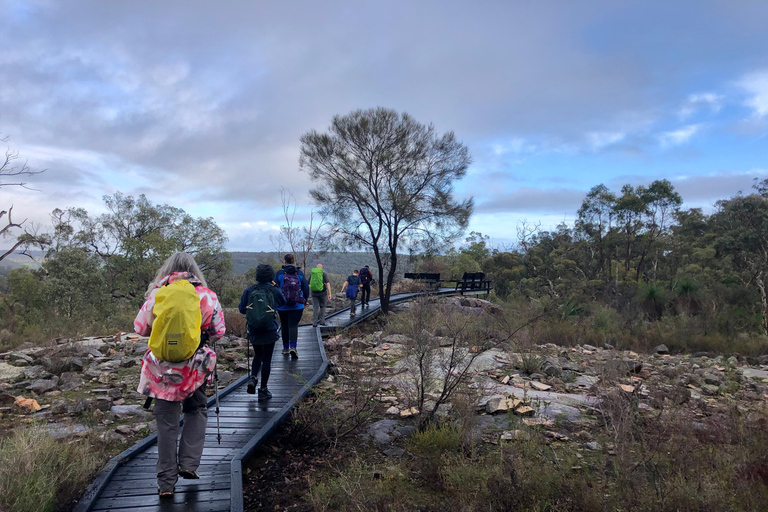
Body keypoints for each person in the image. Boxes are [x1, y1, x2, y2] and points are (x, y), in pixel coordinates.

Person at [134, 252, 225, 498]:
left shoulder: (157, 294)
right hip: (194, 368)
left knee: (166, 424)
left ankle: (165, 484)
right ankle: (188, 464)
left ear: (168, 270)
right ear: (194, 270)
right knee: (196, 410)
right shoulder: (207, 295)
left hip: (161, 370)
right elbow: (219, 331)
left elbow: (140, 328)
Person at [238, 264, 286, 400]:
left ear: (257, 276)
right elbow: (283, 302)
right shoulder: (274, 290)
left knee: (258, 355)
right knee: (267, 359)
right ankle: (263, 389)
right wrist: (275, 286)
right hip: (270, 329)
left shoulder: (249, 290)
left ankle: (253, 377)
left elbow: (242, 309)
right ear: (271, 277)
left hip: (254, 330)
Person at [274, 253, 309, 359]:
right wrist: (305, 300)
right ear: (293, 261)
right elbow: (305, 288)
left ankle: (285, 348)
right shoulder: (299, 273)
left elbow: (275, 288)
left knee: (284, 325)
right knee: (293, 325)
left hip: (282, 305)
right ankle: (293, 347)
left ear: (284, 261)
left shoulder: (279, 273)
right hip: (297, 305)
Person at [309, 263, 332, 327]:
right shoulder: (323, 273)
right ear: (321, 268)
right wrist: (330, 293)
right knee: (323, 306)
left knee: (315, 307)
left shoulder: (312, 273)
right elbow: (327, 283)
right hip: (322, 293)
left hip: (314, 293)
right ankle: (322, 321)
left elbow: (308, 282)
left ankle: (314, 323)